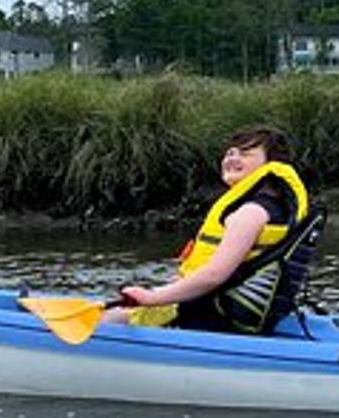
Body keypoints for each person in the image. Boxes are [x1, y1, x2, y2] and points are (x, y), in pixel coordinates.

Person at [110, 126, 321, 335]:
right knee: (123, 311)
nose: (232, 158)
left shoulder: (250, 213)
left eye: (245, 153)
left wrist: (152, 297)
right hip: (228, 307)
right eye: (230, 152)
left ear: (272, 164)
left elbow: (214, 275)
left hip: (220, 314)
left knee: (112, 319)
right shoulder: (270, 205)